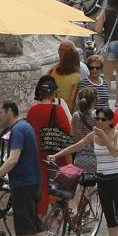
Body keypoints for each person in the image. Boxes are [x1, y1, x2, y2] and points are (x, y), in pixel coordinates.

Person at [51, 105, 118, 236]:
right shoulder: (93, 135)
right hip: (102, 178)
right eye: (97, 118)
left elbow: (114, 152)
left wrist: (105, 137)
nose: (99, 122)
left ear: (110, 121)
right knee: (107, 213)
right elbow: (76, 146)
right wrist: (56, 155)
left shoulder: (117, 134)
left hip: (116, 178)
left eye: (103, 119)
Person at [0, 101, 48, 236]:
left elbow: (13, 159)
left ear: (9, 111)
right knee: (36, 223)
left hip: (24, 184)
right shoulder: (26, 126)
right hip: (34, 181)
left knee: (26, 226)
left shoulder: (17, 130)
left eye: (0, 113)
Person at [28, 77, 73, 216]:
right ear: (53, 94)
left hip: (37, 150)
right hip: (54, 151)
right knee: (61, 181)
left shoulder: (32, 110)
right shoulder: (57, 109)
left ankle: (41, 212)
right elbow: (67, 128)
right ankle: (61, 211)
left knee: (42, 182)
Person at [50, 40, 88, 104]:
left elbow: (73, 98)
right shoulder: (54, 69)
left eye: (62, 50)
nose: (59, 52)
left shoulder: (82, 69)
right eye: (59, 50)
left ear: (70, 53)